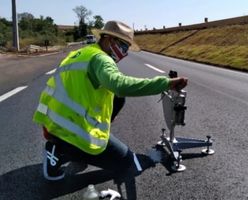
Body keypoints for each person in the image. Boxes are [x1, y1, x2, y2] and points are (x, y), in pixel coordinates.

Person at [33, 20, 188, 181]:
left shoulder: (83, 53)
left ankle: (66, 148)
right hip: (74, 131)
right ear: (109, 39)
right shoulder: (101, 59)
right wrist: (165, 83)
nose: (124, 52)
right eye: (124, 46)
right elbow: (119, 85)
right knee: (127, 162)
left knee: (119, 98)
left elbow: (115, 93)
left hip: (53, 124)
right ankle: (60, 152)